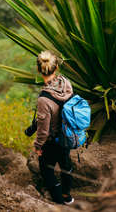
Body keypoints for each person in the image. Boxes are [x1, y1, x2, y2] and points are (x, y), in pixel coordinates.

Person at [34, 50, 74, 205]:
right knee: (66, 166)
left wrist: (38, 146)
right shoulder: (66, 83)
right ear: (56, 67)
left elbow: (43, 130)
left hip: (52, 140)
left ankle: (58, 202)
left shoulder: (44, 99)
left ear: (39, 70)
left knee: (46, 169)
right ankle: (67, 196)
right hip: (68, 134)